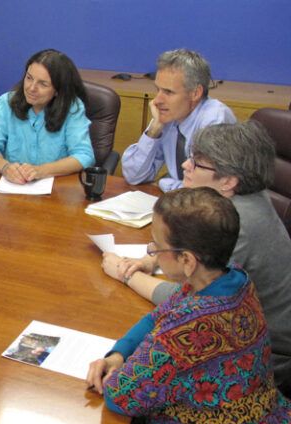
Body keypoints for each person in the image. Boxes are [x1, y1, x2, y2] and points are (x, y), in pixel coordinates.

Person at [87, 187, 291, 424]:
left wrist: (115, 370)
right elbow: (157, 317)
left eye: (157, 246)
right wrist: (119, 352)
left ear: (187, 260)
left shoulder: (185, 332)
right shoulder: (233, 280)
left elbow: (120, 396)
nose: (152, 250)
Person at [104, 122, 291, 395]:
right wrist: (154, 259)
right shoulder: (243, 202)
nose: (185, 166)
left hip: (268, 355)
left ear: (228, 181)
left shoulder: (240, 224)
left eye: (198, 164)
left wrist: (126, 273)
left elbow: (185, 298)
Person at [121, 48, 236, 192]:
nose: (157, 100)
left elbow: (204, 190)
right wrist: (154, 130)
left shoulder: (215, 119)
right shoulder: (168, 117)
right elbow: (133, 176)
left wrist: (164, 182)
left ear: (195, 93)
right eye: (158, 90)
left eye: (168, 92)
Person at [0, 49, 95, 185]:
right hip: (14, 187)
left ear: (57, 90)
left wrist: (40, 171)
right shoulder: (6, 103)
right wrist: (5, 167)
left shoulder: (72, 109)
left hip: (58, 190)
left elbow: (84, 156)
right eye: (29, 78)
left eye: (43, 84)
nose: (31, 88)